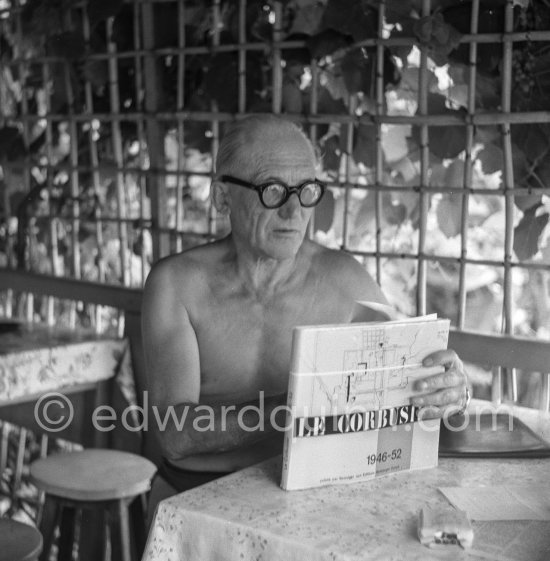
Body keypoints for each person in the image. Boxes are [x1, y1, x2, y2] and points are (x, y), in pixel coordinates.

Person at [142, 114, 468, 517]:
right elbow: (175, 435)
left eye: (307, 190)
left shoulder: (343, 280)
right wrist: (301, 406)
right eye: (273, 190)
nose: (294, 211)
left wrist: (450, 389)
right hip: (193, 499)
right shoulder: (178, 283)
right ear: (223, 197)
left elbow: (408, 378)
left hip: (307, 500)